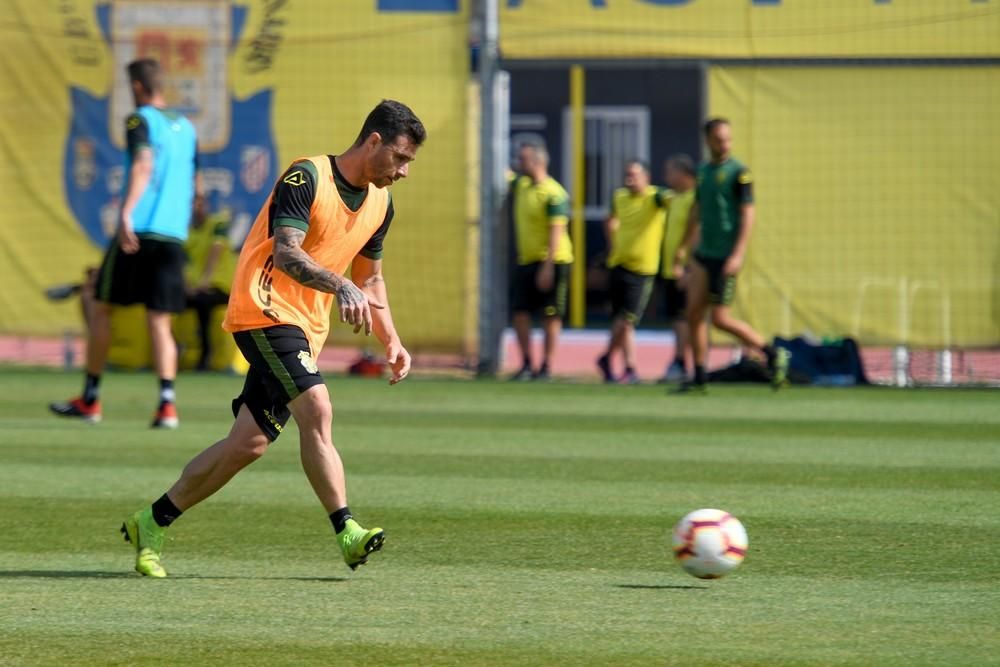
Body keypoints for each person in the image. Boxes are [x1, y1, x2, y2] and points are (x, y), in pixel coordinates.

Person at [119, 99, 425, 578]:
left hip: (305, 326)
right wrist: (339, 283)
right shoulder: (306, 178)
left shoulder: (381, 204)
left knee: (247, 444)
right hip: (262, 309)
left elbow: (371, 281)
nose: (405, 171)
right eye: (401, 158)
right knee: (318, 408)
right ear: (374, 142)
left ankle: (150, 522)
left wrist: (392, 341)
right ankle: (347, 530)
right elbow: (286, 255)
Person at [50, 58, 198, 428]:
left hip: (140, 230)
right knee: (160, 322)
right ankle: (167, 405)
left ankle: (91, 399)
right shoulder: (187, 128)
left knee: (98, 306)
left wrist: (126, 214)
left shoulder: (138, 120)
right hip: (173, 236)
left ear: (135, 87)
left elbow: (143, 164)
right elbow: (194, 187)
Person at [672, 118, 789, 393]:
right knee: (694, 314)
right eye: (719, 139)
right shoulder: (702, 172)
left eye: (728, 139)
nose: (725, 144)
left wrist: (737, 254)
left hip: (726, 256)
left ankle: (773, 354)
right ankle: (700, 376)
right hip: (703, 254)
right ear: (708, 141)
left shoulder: (740, 174)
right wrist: (683, 247)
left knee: (721, 319)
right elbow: (697, 210)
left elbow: (748, 214)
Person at [596, 160, 666, 385]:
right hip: (618, 264)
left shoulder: (655, 198)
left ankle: (609, 358)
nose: (629, 179)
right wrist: (612, 243)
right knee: (621, 321)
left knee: (626, 320)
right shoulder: (619, 197)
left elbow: (676, 199)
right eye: (627, 175)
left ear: (646, 177)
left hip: (642, 269)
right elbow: (610, 220)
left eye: (634, 175)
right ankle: (628, 367)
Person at [509, 141, 573, 381]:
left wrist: (547, 267)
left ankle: (546, 366)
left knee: (550, 315)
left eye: (523, 159)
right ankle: (527, 363)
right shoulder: (522, 185)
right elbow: (506, 175)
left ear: (537, 161)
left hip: (553, 261)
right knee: (520, 313)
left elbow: (556, 231)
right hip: (527, 260)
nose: (519, 163)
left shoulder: (554, 193)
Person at [184, 194, 236, 371]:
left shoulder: (217, 224)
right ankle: (178, 356)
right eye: (193, 203)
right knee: (168, 304)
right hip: (196, 288)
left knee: (202, 304)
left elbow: (216, 252)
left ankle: (205, 357)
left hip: (221, 286)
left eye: (201, 203)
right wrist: (187, 286)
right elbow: (182, 262)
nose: (197, 208)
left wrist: (204, 281)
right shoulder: (186, 230)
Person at [657, 154, 697, 383]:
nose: (666, 177)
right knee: (677, 317)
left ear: (683, 174)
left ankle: (683, 363)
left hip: (685, 270)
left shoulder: (696, 199)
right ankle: (680, 361)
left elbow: (696, 235)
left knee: (685, 317)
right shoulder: (672, 198)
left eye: (670, 171)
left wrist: (690, 268)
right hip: (671, 268)